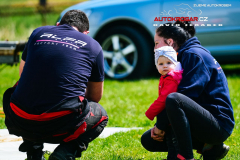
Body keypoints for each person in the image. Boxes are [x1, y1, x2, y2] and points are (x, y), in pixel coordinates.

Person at [3, 10, 108, 160]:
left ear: (58, 25)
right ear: (86, 33)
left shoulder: (38, 33)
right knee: (100, 114)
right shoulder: (93, 46)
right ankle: (64, 153)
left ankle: (34, 152)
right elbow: (95, 97)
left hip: (19, 119)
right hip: (61, 124)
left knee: (25, 90)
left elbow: (22, 74)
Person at [141, 20, 235, 160]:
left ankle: (185, 156)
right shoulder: (182, 56)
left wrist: (160, 125)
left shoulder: (193, 55)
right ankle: (211, 147)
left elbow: (184, 98)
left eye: (156, 43)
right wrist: (159, 125)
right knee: (149, 140)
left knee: (174, 100)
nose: (155, 48)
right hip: (202, 121)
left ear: (170, 42)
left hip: (218, 125)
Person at [145, 46, 183, 160]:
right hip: (170, 115)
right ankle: (172, 157)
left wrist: (150, 113)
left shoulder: (172, 79)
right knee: (170, 139)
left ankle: (175, 157)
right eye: (160, 64)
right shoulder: (166, 77)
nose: (165, 66)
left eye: (168, 62)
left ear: (175, 63)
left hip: (174, 115)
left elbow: (163, 99)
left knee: (174, 140)